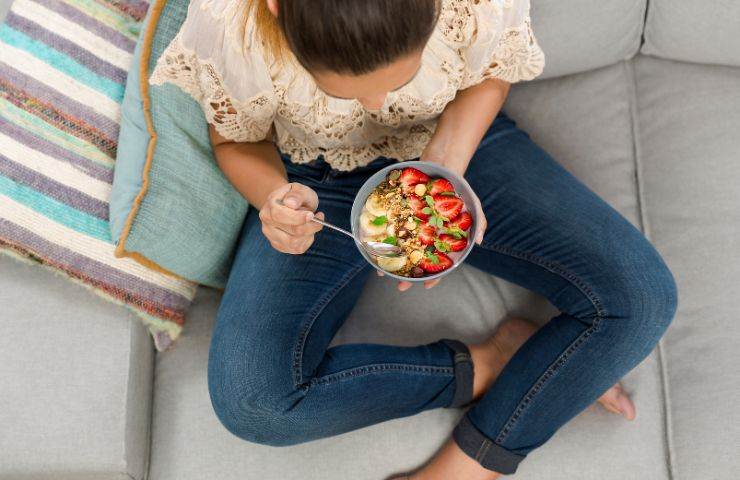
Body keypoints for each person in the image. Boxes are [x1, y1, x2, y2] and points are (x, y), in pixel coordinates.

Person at [150, 0, 678, 477]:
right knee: (255, 403)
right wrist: (274, 200)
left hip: (453, 138)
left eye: (398, 77)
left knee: (640, 297)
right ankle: (495, 362)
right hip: (316, 178)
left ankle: (464, 471)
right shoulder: (229, 22)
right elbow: (235, 139)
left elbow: (491, 73)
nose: (378, 104)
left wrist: (445, 166)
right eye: (349, 88)